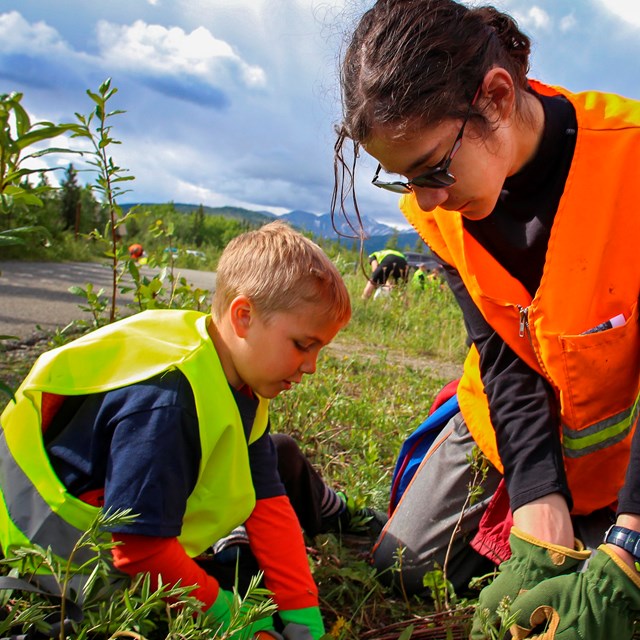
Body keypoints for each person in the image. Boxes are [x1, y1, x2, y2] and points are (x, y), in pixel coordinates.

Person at [332, 1, 640, 638]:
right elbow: (500, 354)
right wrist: (537, 503)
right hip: (504, 423)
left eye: (434, 169)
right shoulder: (439, 209)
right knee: (407, 569)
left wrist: (629, 545)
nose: (426, 201)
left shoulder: (630, 163)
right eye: (404, 181)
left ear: (498, 97)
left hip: (619, 453)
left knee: (598, 597)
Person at [0, 220, 352, 639]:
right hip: (58, 566)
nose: (311, 366)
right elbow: (139, 551)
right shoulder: (167, 405)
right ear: (243, 316)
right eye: (302, 344)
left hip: (133, 545)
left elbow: (268, 500)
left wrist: (301, 611)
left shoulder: (240, 374)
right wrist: (231, 618)